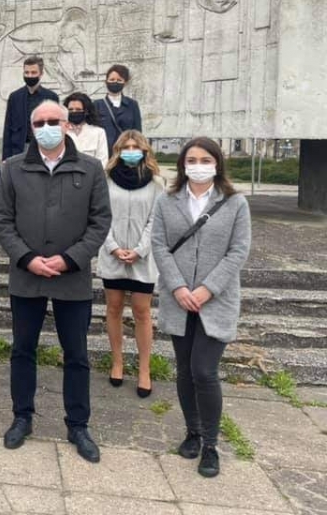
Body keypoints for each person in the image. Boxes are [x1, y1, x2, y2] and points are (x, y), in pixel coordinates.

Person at [0, 101, 111, 463]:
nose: (46, 127)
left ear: (67, 125)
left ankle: (78, 424)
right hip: (27, 276)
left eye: (53, 121)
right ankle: (22, 417)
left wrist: (70, 259)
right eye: (39, 122)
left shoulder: (90, 169)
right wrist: (27, 258)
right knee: (22, 350)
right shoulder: (13, 168)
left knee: (76, 354)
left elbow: (100, 222)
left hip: (71, 278)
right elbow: (2, 220)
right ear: (32, 128)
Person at [152, 137, 251, 479]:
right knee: (184, 370)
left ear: (217, 163)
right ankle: (192, 431)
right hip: (179, 298)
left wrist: (208, 288)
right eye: (191, 159)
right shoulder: (166, 201)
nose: (198, 165)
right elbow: (159, 246)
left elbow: (238, 251)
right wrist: (179, 287)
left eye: (205, 159)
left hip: (216, 299)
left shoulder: (235, 203)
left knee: (204, 370)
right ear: (182, 164)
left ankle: (211, 443)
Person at [98, 130, 164, 397]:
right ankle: (117, 362)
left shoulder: (156, 183)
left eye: (136, 147)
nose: (131, 151)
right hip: (112, 253)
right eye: (126, 147)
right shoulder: (105, 179)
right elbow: (100, 215)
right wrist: (113, 247)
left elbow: (155, 220)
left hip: (142, 257)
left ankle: (144, 369)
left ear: (145, 150)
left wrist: (139, 250)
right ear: (118, 151)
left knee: (141, 311)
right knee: (113, 308)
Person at [2, 56, 60, 160]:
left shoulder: (51, 97)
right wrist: (6, 157)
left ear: (41, 74)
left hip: (44, 148)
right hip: (19, 149)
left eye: (33, 73)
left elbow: (56, 127)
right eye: (27, 72)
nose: (29, 76)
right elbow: (8, 128)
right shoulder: (14, 97)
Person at [94, 64, 143, 152]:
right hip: (104, 151)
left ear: (125, 82)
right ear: (106, 81)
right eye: (112, 79)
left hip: (126, 151)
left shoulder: (132, 104)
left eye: (119, 80)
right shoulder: (97, 105)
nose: (115, 82)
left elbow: (137, 133)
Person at [63, 92, 108, 165]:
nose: (74, 112)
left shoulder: (98, 132)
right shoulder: (61, 131)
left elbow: (103, 161)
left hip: (92, 171)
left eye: (78, 109)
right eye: (70, 109)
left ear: (86, 111)